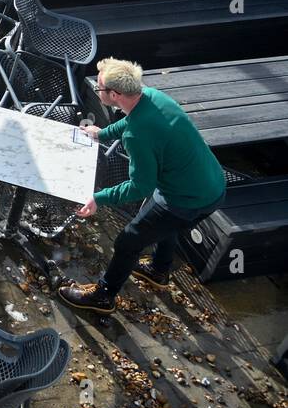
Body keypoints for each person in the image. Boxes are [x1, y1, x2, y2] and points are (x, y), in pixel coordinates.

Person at [57, 58, 227, 314]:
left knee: (129, 240)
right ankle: (159, 270)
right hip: (212, 186)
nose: (96, 90)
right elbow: (130, 120)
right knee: (163, 222)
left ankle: (104, 295)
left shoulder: (137, 137)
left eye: (99, 88)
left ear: (114, 94)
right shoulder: (151, 96)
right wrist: (100, 134)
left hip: (186, 198)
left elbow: (140, 187)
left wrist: (97, 199)